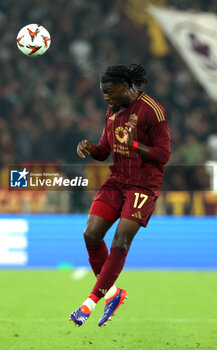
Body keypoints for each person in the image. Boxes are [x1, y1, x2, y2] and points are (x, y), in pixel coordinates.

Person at [69, 63, 170, 327]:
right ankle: (113, 293)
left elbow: (163, 155)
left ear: (126, 87)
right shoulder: (112, 112)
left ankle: (89, 303)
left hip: (143, 185)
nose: (106, 98)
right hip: (116, 181)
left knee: (121, 239)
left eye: (110, 92)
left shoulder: (152, 111)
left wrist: (135, 145)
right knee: (90, 234)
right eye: (103, 93)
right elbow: (104, 151)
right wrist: (90, 147)